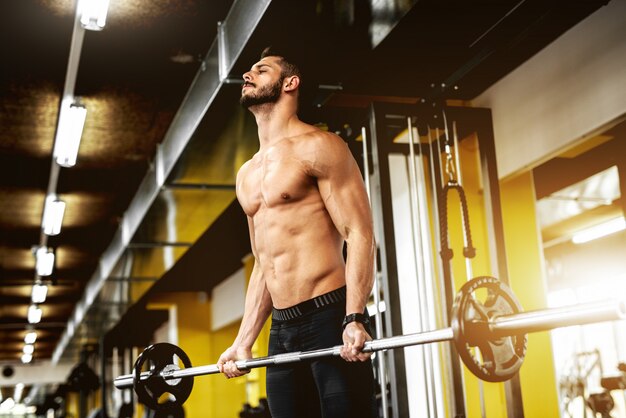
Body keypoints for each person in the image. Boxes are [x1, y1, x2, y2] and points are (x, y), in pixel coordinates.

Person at [216, 47, 377, 418]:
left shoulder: (321, 146)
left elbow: (359, 234)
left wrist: (354, 318)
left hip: (329, 315)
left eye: (262, 70)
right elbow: (263, 264)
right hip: (281, 329)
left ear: (290, 83)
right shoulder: (246, 174)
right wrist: (244, 341)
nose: (248, 75)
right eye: (249, 71)